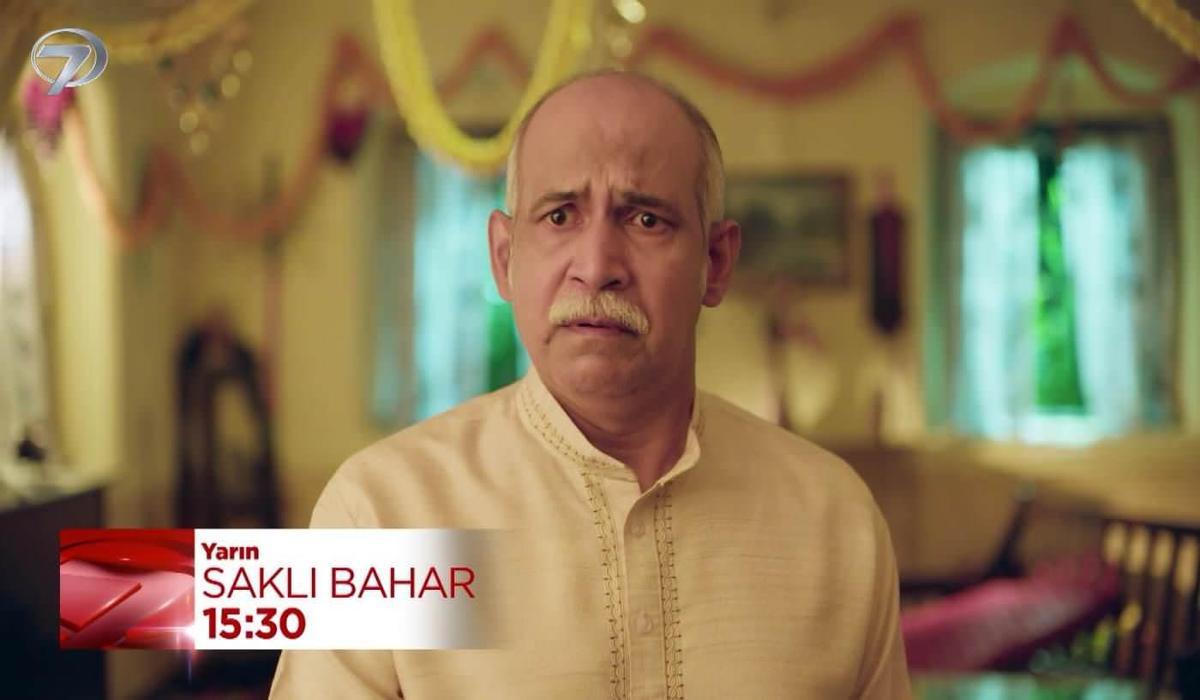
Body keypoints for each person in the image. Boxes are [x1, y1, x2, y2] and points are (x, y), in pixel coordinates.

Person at [270, 70, 911, 699]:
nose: (598, 266)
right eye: (559, 216)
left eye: (646, 220)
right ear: (504, 258)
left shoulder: (836, 521)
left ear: (715, 264)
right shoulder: (381, 514)